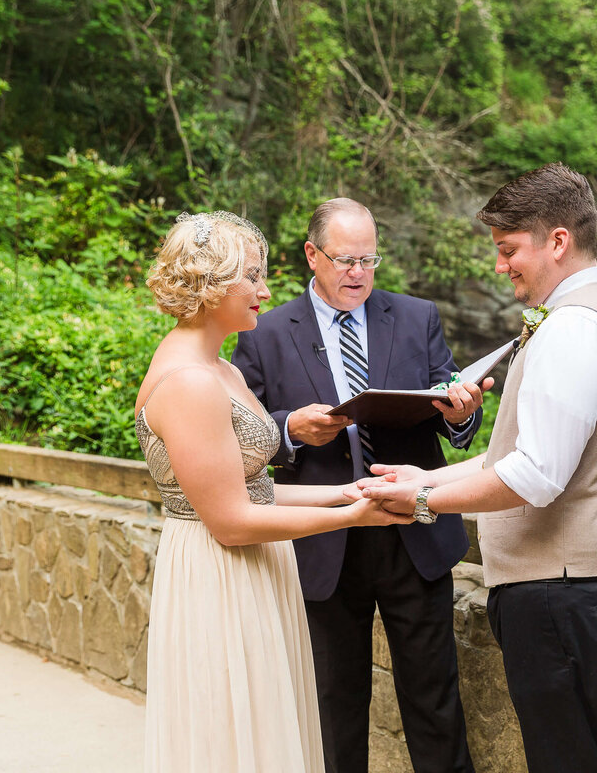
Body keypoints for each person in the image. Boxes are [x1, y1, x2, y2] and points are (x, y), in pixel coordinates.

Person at [362, 162, 597, 773]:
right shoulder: (580, 319)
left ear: (559, 242)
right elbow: (517, 457)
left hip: (563, 597)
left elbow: (535, 478)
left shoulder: (572, 331)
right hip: (566, 593)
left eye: (509, 249)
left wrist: (421, 504)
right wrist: (424, 477)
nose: (500, 265)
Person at [135, 210, 413, 773]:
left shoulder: (222, 370)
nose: (265, 290)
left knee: (266, 732)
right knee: (231, 737)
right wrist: (353, 518)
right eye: (253, 277)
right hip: (219, 576)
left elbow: (255, 489)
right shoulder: (189, 382)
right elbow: (232, 520)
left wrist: (348, 493)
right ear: (213, 285)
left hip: (252, 573)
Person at [232, 198, 484, 773]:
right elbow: (239, 439)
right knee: (333, 704)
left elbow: (458, 423)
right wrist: (289, 430)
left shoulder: (418, 316)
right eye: (346, 259)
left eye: (369, 259)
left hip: (412, 532)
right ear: (311, 255)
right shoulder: (265, 334)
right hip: (325, 541)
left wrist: (459, 412)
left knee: (434, 698)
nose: (359, 273)